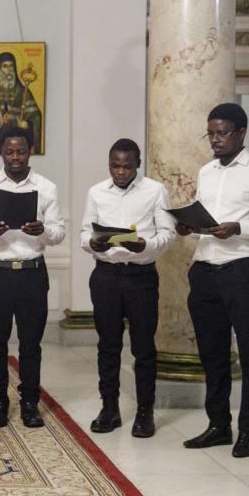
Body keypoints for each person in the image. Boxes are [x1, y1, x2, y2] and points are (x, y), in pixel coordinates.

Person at [178, 102, 249, 459]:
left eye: (222, 133)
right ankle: (218, 426)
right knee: (212, 354)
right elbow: (207, 217)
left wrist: (239, 227)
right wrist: (189, 226)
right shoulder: (206, 172)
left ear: (241, 133)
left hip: (244, 271)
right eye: (210, 133)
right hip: (205, 270)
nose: (215, 139)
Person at [0, 125, 64, 428]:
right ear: (2, 153)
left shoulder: (46, 188)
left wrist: (42, 231)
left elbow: (58, 233)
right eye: (9, 152)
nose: (15, 157)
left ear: (30, 152)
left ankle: (30, 402)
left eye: (21, 151)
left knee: (30, 343)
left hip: (32, 272)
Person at [80, 138, 174, 438]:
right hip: (106, 275)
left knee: (143, 347)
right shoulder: (96, 192)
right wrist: (91, 243)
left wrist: (145, 245)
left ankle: (145, 411)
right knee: (108, 345)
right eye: (115, 166)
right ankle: (109, 408)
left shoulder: (155, 190)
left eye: (127, 167)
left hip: (141, 277)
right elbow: (84, 232)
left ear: (138, 165)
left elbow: (168, 234)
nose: (120, 172)